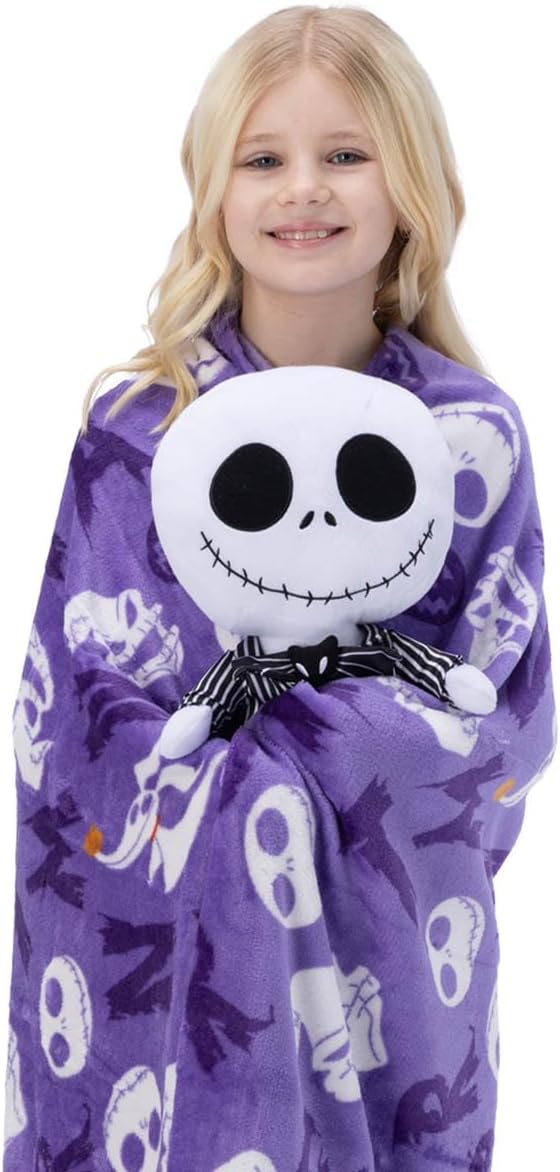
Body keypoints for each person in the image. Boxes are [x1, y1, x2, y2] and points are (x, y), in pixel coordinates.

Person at [3, 6, 555, 1171]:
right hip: (166, 1000)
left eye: (344, 153)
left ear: (411, 183)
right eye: (262, 158)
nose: (302, 187)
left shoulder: (471, 440)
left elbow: (500, 725)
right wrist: (254, 785)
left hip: (393, 988)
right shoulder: (138, 432)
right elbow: (72, 721)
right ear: (212, 188)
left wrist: (293, 746)